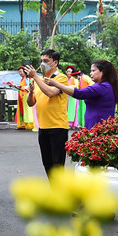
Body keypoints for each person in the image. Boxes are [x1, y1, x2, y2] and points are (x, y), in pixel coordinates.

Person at [25, 49, 69, 178]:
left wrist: (35, 77)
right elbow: (31, 103)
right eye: (41, 61)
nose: (42, 63)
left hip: (57, 126)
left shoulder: (61, 78)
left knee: (57, 163)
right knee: (47, 163)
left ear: (55, 63)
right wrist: (31, 92)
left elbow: (50, 92)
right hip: (43, 127)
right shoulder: (40, 80)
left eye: (46, 61)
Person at [45, 59, 118, 129]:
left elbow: (79, 93)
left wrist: (56, 84)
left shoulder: (102, 87)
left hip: (97, 127)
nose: (91, 73)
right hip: (98, 126)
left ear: (102, 72)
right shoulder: (107, 86)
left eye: (93, 71)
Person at [64, 65, 92, 129]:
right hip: (82, 96)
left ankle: (85, 125)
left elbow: (91, 83)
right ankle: (81, 125)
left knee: (84, 111)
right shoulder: (80, 79)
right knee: (80, 111)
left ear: (77, 75)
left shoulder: (85, 77)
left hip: (86, 95)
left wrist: (87, 90)